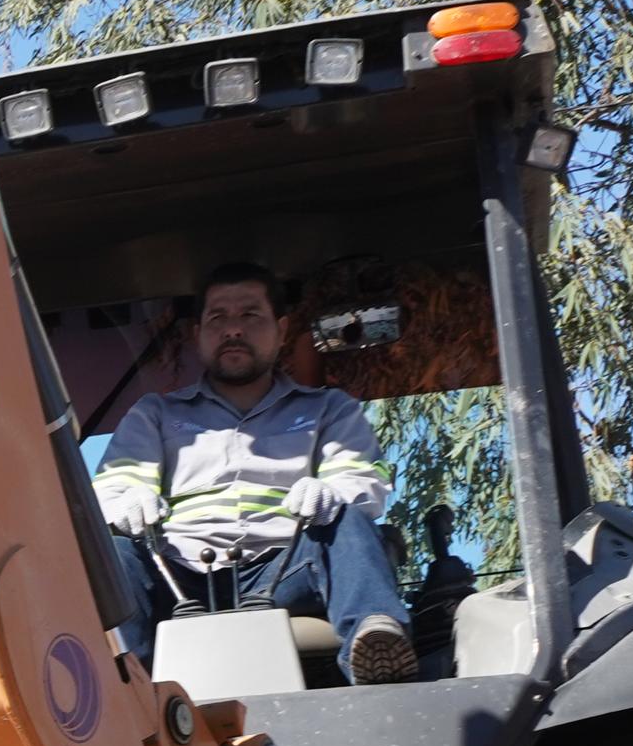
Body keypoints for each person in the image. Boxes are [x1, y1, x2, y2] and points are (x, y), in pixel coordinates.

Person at [93, 261, 419, 684]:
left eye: (250, 315)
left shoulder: (328, 409)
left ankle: (376, 640)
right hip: (178, 576)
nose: (233, 329)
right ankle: (119, 686)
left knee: (348, 518)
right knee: (115, 552)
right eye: (218, 317)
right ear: (198, 336)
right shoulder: (155, 414)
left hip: (288, 569)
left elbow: (360, 481)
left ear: (282, 330)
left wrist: (330, 493)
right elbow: (115, 486)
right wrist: (126, 503)